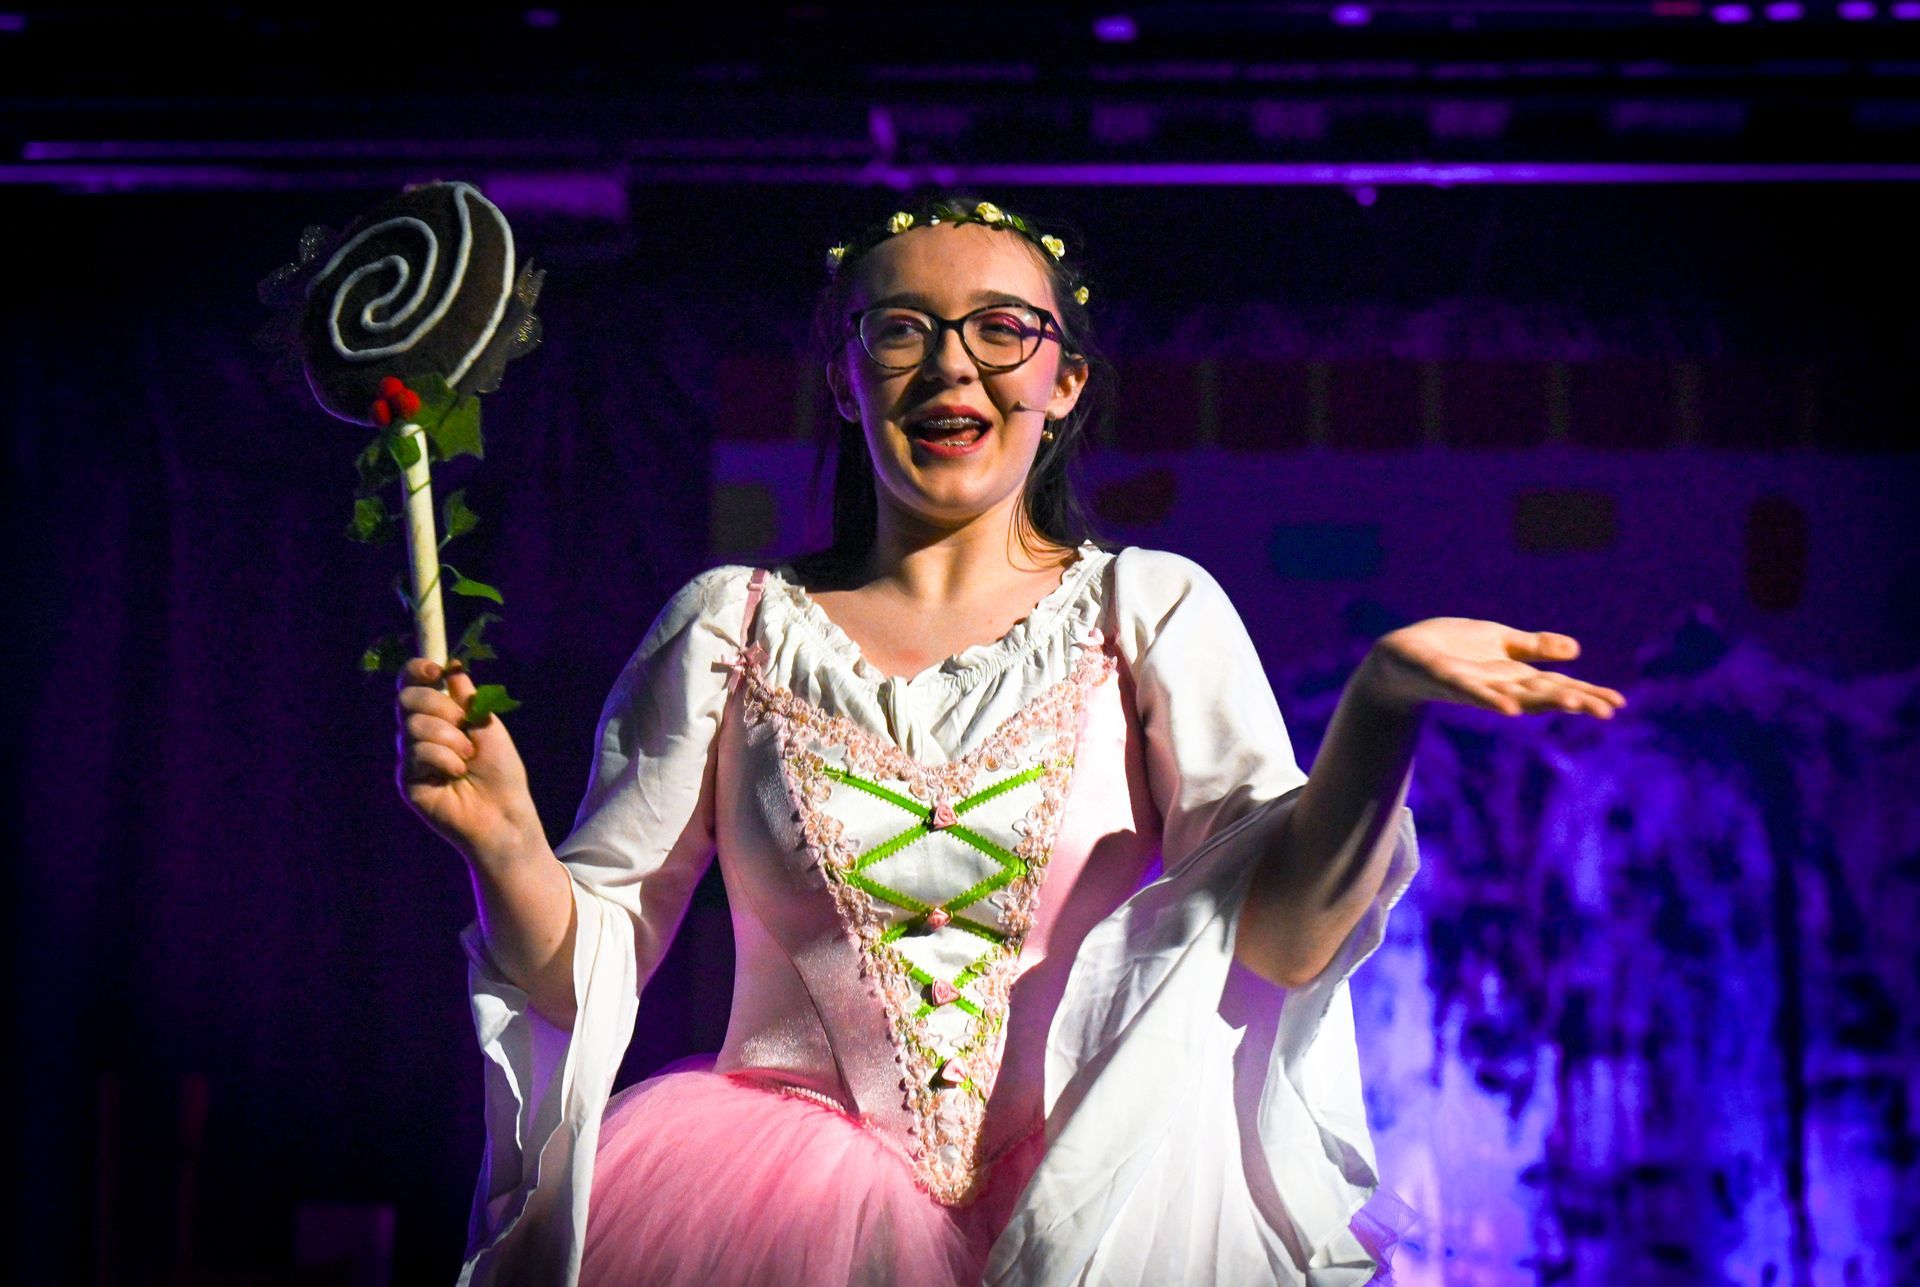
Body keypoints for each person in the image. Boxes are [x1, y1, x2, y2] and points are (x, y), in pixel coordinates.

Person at [394, 195, 1626, 1286]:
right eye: (901, 329)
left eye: (1001, 329)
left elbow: (1285, 941)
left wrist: (1382, 709)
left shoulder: (1150, 612)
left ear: (1065, 381)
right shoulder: (730, 627)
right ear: (844, 379)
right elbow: (583, 971)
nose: (952, 365)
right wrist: (508, 850)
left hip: (1090, 1220)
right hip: (773, 1224)